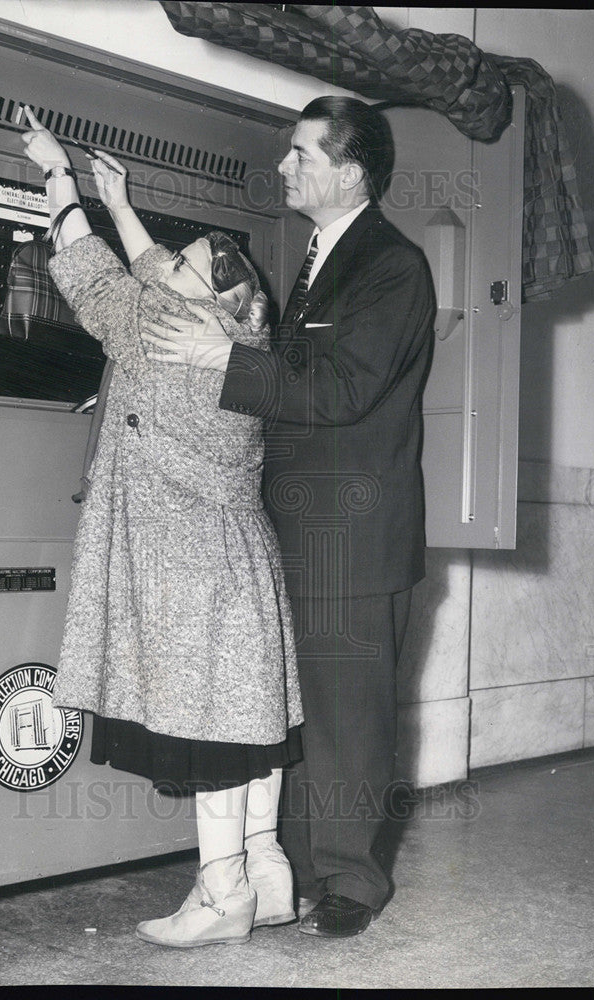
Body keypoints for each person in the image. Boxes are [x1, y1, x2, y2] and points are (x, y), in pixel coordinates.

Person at [141, 96, 436, 939]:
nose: (285, 168)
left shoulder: (393, 265)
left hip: (353, 536)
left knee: (348, 713)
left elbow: (342, 391)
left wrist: (223, 359)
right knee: (295, 710)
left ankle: (352, 881)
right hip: (293, 524)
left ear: (349, 169)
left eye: (301, 154)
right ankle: (295, 871)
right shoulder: (313, 258)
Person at [18, 106, 303, 947]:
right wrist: (127, 206)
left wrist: (60, 177)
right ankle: (268, 872)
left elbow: (98, 282)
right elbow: (157, 276)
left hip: (184, 568)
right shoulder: (241, 340)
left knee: (215, 734)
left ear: (202, 297)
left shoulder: (162, 334)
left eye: (181, 262)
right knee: (253, 727)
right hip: (242, 558)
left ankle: (220, 899)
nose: (164, 264)